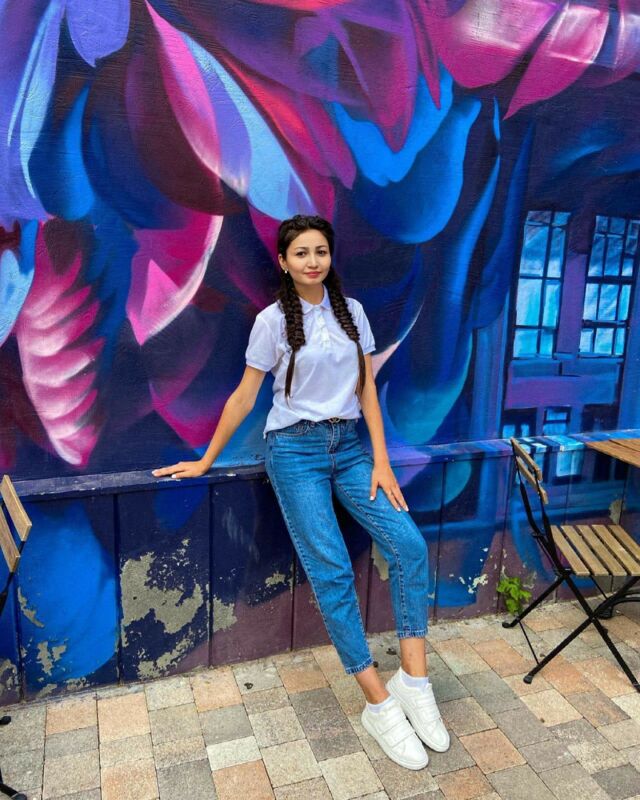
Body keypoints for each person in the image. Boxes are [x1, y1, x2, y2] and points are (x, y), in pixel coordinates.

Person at [152, 215, 449, 770]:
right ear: (284, 263)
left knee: (408, 546)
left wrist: (382, 462)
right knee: (332, 572)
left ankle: (414, 682)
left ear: (330, 257)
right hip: (294, 453)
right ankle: (378, 704)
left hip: (350, 450)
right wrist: (206, 459)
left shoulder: (352, 312)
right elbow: (245, 397)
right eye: (301, 253)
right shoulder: (270, 322)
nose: (313, 261)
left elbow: (367, 389)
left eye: (320, 251)